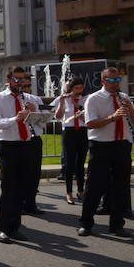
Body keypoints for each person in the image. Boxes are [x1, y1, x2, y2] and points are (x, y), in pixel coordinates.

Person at [78, 68, 134, 237]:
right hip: (101, 146)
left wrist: (130, 108)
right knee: (95, 186)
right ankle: (86, 223)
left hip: (122, 145)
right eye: (111, 80)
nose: (115, 83)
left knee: (120, 186)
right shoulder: (94, 99)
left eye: (117, 80)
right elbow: (90, 123)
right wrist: (112, 118)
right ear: (103, 81)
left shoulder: (124, 97)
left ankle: (117, 224)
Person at [0, 67, 38, 244]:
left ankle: (15, 227)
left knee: (22, 188)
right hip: (8, 145)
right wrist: (14, 119)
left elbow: (39, 125)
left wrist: (34, 114)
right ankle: (3, 228)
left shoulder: (28, 98)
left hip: (26, 144)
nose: (19, 83)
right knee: (9, 188)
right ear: (8, 80)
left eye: (22, 80)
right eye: (16, 80)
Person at [54, 77, 87, 205]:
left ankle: (81, 190)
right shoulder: (63, 99)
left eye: (81, 88)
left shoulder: (86, 99)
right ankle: (69, 192)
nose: (79, 91)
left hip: (82, 132)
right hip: (69, 132)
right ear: (70, 89)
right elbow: (57, 117)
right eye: (76, 88)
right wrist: (62, 103)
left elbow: (86, 118)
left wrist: (77, 105)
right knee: (69, 163)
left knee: (80, 163)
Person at [20, 78, 46, 215]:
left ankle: (31, 203)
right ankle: (21, 203)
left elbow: (44, 121)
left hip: (35, 138)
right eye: (23, 86)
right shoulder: (14, 99)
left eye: (28, 85)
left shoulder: (35, 99)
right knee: (22, 174)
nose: (26, 88)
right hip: (21, 140)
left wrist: (34, 110)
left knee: (35, 173)